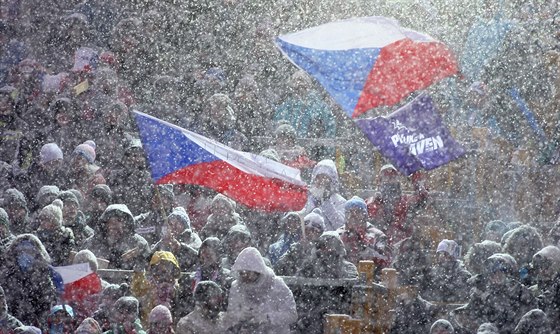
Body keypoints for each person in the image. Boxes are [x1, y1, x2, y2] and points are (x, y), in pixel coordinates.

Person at [450, 253, 536, 333]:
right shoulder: (486, 288)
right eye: (493, 272)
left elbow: (508, 312)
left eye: (501, 271)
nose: (497, 275)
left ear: (509, 273)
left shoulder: (519, 290)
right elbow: (473, 310)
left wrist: (486, 297)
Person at [225, 247, 297, 333]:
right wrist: (241, 315)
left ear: (257, 271)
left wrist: (268, 317)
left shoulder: (277, 285)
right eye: (241, 273)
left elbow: (292, 315)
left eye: (247, 273)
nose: (244, 276)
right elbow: (230, 315)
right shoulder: (236, 287)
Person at [0, 234, 61, 326]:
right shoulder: (7, 275)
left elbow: (47, 304)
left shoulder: (43, 275)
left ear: (37, 253)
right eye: (20, 251)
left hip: (36, 325)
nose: (24, 255)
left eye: (29, 251)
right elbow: (5, 304)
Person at [366, 164, 428, 245]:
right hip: (380, 245)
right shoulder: (372, 202)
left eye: (393, 177)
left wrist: (417, 180)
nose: (390, 180)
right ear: (380, 181)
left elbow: (422, 199)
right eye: (386, 177)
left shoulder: (406, 201)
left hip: (403, 245)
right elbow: (371, 223)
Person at [83, 204, 150, 270]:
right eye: (113, 223)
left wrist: (138, 259)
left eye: (121, 221)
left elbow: (150, 268)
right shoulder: (91, 244)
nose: (117, 226)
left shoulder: (138, 243)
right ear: (105, 224)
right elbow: (78, 270)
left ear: (126, 224)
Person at [337, 196, 390, 268]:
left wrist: (367, 251)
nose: (353, 215)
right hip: (344, 276)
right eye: (350, 212)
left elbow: (386, 259)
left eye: (357, 212)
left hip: (371, 275)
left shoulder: (377, 235)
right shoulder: (338, 234)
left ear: (365, 215)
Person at [131, 251, 181, 322]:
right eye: (160, 265)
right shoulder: (149, 283)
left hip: (170, 324)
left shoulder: (177, 286)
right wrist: (138, 274)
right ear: (154, 268)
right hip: (149, 321)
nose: (163, 268)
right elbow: (136, 290)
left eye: (167, 265)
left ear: (173, 268)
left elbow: (180, 307)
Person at [274, 209, 325, 276]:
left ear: (320, 233)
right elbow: (279, 267)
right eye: (306, 230)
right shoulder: (295, 247)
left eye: (313, 230)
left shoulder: (323, 250)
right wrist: (298, 250)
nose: (309, 233)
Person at [300, 159, 346, 231]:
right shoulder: (307, 198)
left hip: (328, 240)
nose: (320, 181)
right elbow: (299, 218)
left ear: (331, 181)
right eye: (318, 177)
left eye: (324, 177)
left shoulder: (340, 201)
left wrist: (327, 203)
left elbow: (341, 226)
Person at [34, 200, 75, 266]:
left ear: (55, 222)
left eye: (46, 219)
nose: (42, 222)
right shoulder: (37, 237)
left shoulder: (66, 237)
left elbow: (66, 258)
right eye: (41, 219)